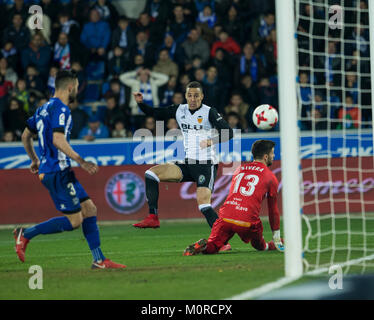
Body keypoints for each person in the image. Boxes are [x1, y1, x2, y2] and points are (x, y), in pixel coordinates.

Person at [14, 70, 126, 269]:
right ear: (70, 87)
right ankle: (26, 233)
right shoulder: (62, 109)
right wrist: (81, 161)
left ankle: (99, 260)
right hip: (57, 172)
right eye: (76, 87)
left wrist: (34, 160)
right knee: (75, 221)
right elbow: (58, 139)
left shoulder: (42, 109)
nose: (76, 91)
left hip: (58, 170)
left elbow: (25, 136)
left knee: (90, 209)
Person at [132, 81, 234, 252]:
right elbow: (156, 113)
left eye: (196, 95)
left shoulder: (209, 112)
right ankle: (153, 216)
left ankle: (222, 242)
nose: (192, 99)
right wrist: (141, 103)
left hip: (205, 164)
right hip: (188, 163)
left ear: (202, 96)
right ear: (186, 96)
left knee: (203, 205)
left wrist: (211, 141)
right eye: (189, 95)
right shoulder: (180, 110)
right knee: (151, 174)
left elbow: (229, 132)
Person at [183, 140, 284, 256]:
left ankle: (203, 246)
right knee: (260, 245)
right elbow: (273, 210)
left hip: (225, 216)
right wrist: (276, 236)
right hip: (247, 221)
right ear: (266, 157)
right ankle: (273, 243)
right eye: (272, 153)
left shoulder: (239, 169)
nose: (273, 156)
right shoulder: (270, 177)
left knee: (213, 246)